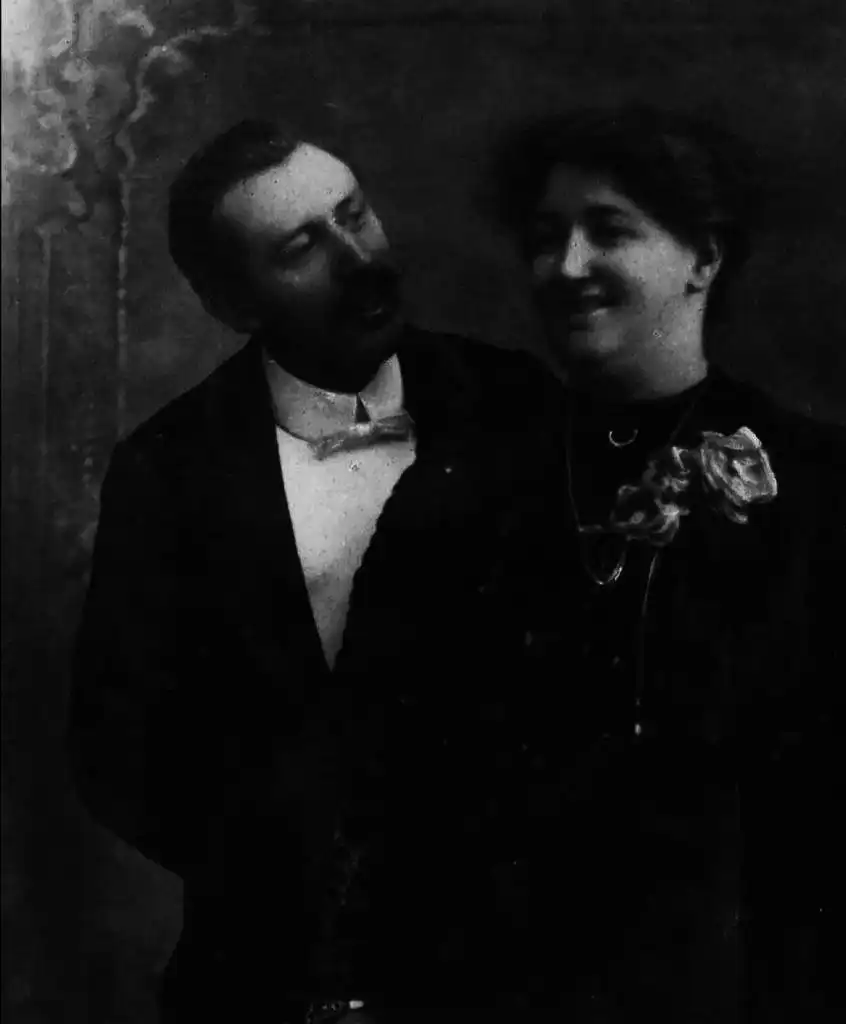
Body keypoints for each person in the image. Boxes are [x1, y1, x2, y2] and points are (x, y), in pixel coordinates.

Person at [445, 105, 846, 1020]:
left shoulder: (828, 484)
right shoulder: (476, 489)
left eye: (609, 231)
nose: (568, 266)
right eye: (546, 239)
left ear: (703, 258)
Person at [67, 119, 550, 1024]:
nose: (358, 260)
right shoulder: (169, 468)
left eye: (354, 215)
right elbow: (113, 749)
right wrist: (285, 872)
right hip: (272, 978)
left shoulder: (516, 402)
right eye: (301, 248)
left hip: (502, 968)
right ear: (234, 303)